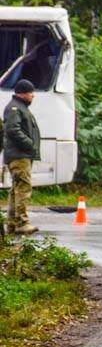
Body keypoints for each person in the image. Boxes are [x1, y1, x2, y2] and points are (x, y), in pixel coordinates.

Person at [3, 78, 40, 235]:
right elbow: (13, 130)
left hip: (20, 154)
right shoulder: (15, 108)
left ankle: (12, 224)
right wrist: (30, 144)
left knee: (16, 189)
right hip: (20, 155)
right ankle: (22, 223)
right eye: (31, 93)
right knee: (23, 188)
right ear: (24, 93)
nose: (33, 96)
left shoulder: (19, 107)